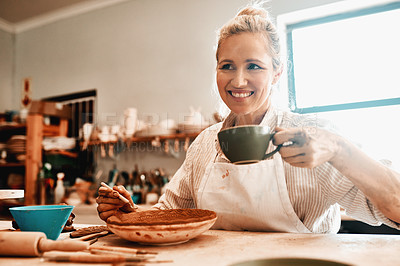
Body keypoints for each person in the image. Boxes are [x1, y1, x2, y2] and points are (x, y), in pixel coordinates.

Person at [97, 3, 400, 233]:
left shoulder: (315, 138)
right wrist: (131, 215)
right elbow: (170, 213)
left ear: (278, 72)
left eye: (254, 66)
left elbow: (395, 208)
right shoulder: (205, 143)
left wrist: (338, 149)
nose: (238, 81)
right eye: (227, 66)